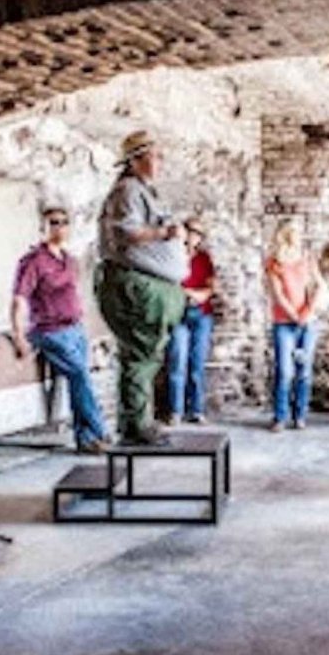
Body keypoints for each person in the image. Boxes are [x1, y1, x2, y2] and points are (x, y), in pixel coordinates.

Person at [98, 131, 189, 446]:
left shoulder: (143, 191)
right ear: (135, 160)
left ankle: (139, 420)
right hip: (137, 284)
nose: (160, 161)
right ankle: (137, 424)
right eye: (155, 155)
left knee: (146, 355)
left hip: (152, 284)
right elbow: (127, 231)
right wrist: (166, 233)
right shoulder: (128, 191)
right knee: (140, 355)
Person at [10, 205, 110, 454]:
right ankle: (99, 431)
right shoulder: (33, 262)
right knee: (80, 375)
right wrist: (19, 335)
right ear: (43, 227)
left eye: (64, 222)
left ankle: (86, 439)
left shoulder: (70, 261)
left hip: (74, 328)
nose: (59, 227)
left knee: (80, 381)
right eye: (53, 222)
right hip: (50, 331)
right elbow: (19, 299)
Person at [266, 219, 322, 431]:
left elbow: (318, 285)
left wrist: (307, 312)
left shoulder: (307, 258)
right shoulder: (274, 262)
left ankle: (300, 415)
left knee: (304, 370)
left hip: (308, 320)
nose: (300, 235)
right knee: (284, 370)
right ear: (287, 234)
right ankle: (280, 416)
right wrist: (295, 316)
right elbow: (278, 294)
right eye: (297, 231)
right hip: (284, 322)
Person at [165, 217, 216, 425]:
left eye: (198, 234)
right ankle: (175, 411)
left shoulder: (204, 259)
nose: (193, 237)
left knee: (197, 363)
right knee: (177, 362)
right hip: (178, 314)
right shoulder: (172, 257)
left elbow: (211, 287)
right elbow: (168, 286)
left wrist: (199, 294)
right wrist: (188, 292)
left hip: (201, 315)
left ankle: (196, 409)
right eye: (190, 232)